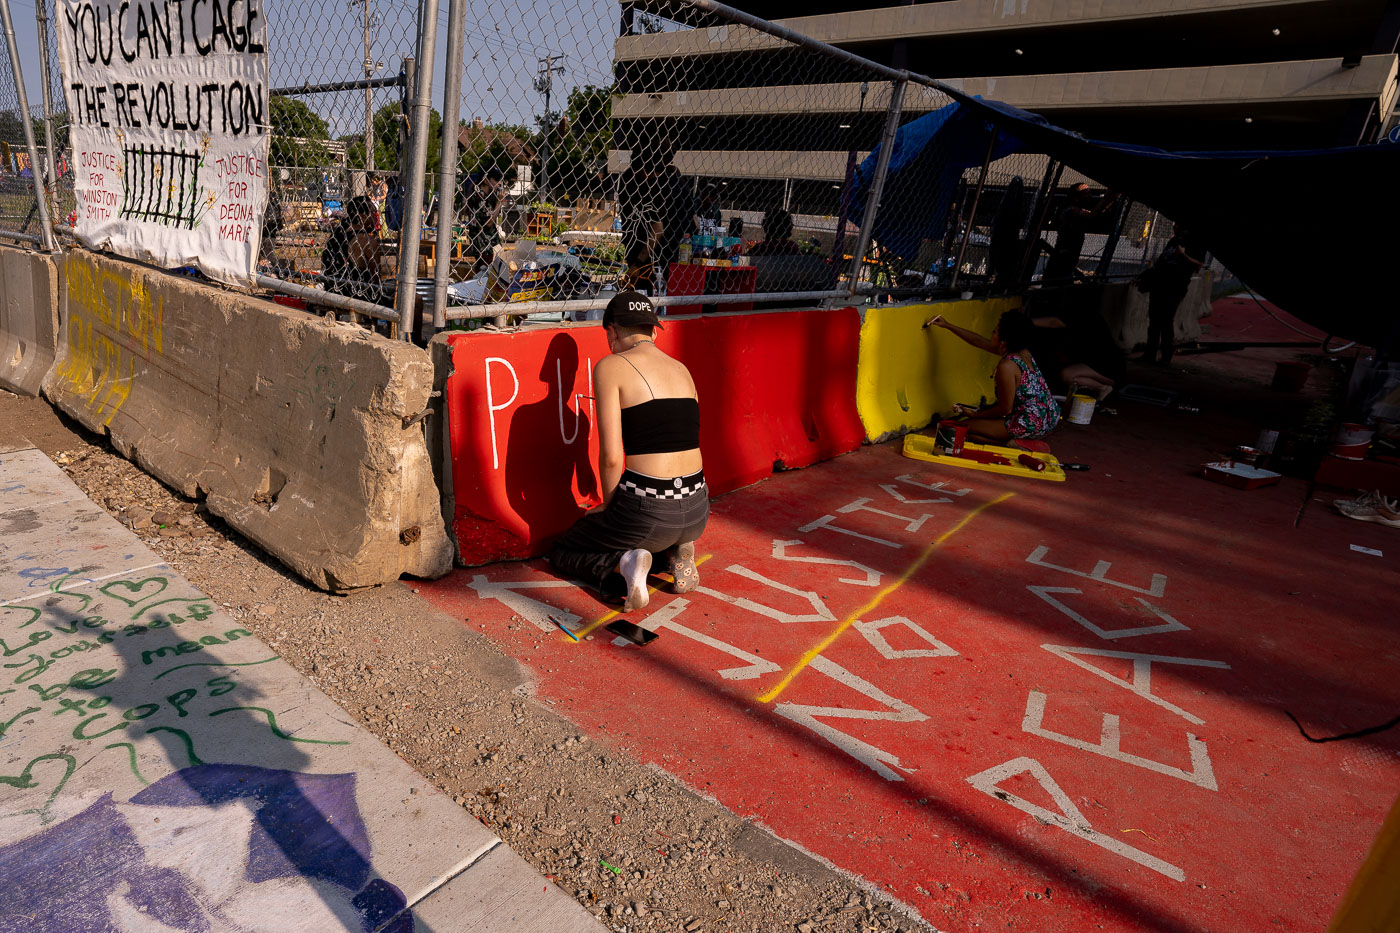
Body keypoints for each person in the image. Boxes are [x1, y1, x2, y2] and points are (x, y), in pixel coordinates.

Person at [549, 291, 708, 612]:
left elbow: (610, 455)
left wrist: (607, 505)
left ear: (612, 333)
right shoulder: (682, 368)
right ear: (652, 329)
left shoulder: (611, 366)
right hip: (698, 509)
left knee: (564, 550)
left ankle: (624, 565)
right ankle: (675, 552)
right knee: (655, 530)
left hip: (649, 511)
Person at [925, 310, 1062, 444]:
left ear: (1003, 342)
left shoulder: (1007, 366)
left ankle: (1012, 443)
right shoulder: (1022, 351)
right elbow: (978, 341)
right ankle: (1013, 438)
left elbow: (1005, 409)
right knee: (972, 426)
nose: (992, 334)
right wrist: (948, 325)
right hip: (1049, 416)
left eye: (995, 332)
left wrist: (975, 415)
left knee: (955, 430)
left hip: (1030, 423)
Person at [618, 132, 692, 294]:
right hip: (648, 253)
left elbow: (657, 228)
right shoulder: (630, 179)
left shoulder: (670, 182)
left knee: (648, 297)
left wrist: (638, 263)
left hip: (657, 259)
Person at [1143, 223, 1206, 364]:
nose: (1175, 228)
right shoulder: (1174, 241)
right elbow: (1162, 260)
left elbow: (1198, 265)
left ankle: (1165, 357)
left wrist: (1183, 255)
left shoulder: (1196, 244)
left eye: (1178, 226)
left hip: (1175, 287)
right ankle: (1149, 354)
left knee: (1166, 321)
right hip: (1160, 284)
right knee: (1154, 320)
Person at [1042, 183, 1120, 285]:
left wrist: (1111, 199)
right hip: (1062, 260)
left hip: (1068, 260)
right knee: (1054, 286)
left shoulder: (1077, 210)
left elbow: (1096, 214)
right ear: (1076, 197)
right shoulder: (1070, 210)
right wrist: (1107, 197)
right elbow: (1092, 215)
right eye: (1085, 193)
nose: (1089, 196)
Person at [320, 195, 383, 304]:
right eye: (373, 213)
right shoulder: (367, 241)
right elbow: (376, 279)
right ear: (361, 216)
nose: (376, 217)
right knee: (416, 301)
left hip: (332, 290)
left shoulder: (337, 233)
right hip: (359, 296)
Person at [462, 167, 505, 274]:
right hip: (484, 246)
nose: (499, 183)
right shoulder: (479, 196)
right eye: (496, 180)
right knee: (487, 274)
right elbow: (489, 223)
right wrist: (499, 203)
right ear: (486, 180)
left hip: (487, 244)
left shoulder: (486, 195)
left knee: (487, 274)